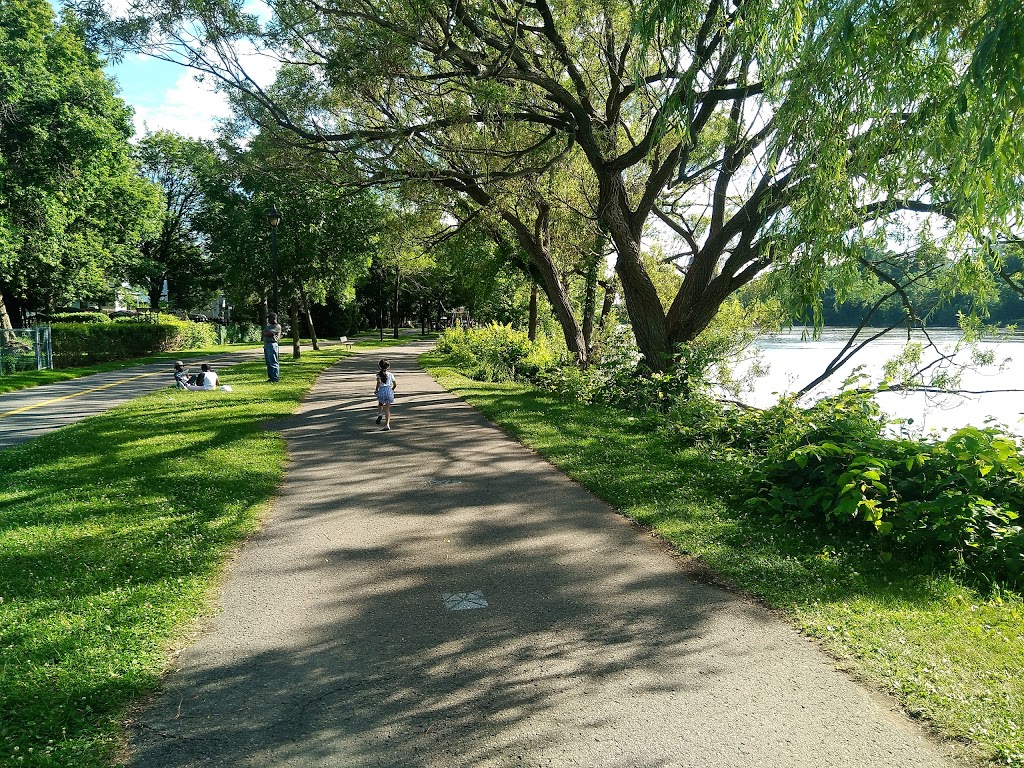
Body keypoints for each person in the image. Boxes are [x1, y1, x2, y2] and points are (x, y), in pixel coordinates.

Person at [374, 358, 397, 431]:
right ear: (388, 367)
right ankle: (387, 425)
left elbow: (378, 384)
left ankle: (380, 414)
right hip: (389, 391)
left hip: (382, 391)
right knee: (387, 409)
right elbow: (395, 384)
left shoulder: (378, 375)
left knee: (380, 404)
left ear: (379, 367)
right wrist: (392, 389)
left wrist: (376, 390)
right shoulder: (391, 374)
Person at [263, 312, 282, 383]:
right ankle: (271, 377)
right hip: (267, 344)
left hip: (272, 345)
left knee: (273, 361)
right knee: (268, 362)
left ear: (273, 318)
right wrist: (265, 332)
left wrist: (266, 332)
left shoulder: (277, 326)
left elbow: (268, 333)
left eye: (269, 318)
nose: (268, 320)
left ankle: (275, 378)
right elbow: (264, 332)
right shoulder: (269, 326)